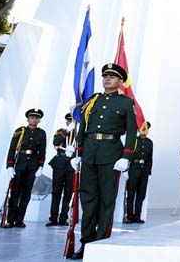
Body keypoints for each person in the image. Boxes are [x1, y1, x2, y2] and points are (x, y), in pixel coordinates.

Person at [69, 63, 138, 260]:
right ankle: (86, 243)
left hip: (111, 154)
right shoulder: (93, 100)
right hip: (90, 152)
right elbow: (84, 126)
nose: (107, 79)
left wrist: (126, 156)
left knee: (107, 200)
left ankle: (100, 243)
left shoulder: (126, 103)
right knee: (88, 199)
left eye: (112, 77)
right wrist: (79, 151)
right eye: (105, 76)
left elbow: (132, 131)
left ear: (120, 82)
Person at [4, 108, 47, 228]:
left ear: (39, 120)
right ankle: (10, 220)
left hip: (33, 166)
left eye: (36, 118)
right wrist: (10, 166)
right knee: (15, 193)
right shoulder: (20, 131)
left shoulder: (42, 133)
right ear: (28, 119)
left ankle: (19, 220)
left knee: (26, 194)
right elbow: (12, 149)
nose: (34, 119)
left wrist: (40, 166)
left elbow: (42, 151)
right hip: (20, 164)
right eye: (32, 117)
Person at [46, 113, 76, 227]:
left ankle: (63, 217)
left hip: (71, 164)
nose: (71, 122)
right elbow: (56, 141)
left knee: (68, 193)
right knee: (56, 191)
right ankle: (53, 218)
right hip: (59, 163)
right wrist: (67, 130)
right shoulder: (61, 132)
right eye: (69, 121)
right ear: (67, 122)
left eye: (73, 121)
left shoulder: (79, 134)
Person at [125, 121, 153, 223]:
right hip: (134, 169)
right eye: (142, 127)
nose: (144, 130)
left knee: (141, 194)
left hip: (144, 170)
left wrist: (149, 171)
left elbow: (150, 158)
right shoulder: (134, 141)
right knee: (131, 193)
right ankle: (129, 216)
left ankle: (137, 216)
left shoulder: (149, 142)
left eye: (146, 128)